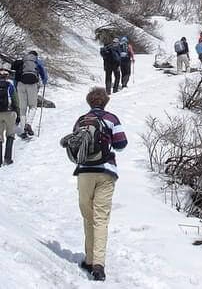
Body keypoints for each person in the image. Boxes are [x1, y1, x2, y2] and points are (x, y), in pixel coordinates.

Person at [71, 87, 127, 281]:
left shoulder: (80, 120)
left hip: (84, 172)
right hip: (106, 172)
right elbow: (121, 144)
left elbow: (75, 145)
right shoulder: (112, 119)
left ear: (89, 102)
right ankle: (99, 265)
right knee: (101, 218)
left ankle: (89, 259)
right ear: (105, 102)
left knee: (88, 217)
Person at [11, 50, 48, 138]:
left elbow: (16, 75)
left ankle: (23, 129)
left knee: (22, 108)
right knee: (33, 106)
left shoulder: (22, 61)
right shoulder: (37, 61)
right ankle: (28, 124)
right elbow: (43, 73)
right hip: (32, 85)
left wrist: (16, 86)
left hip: (21, 84)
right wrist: (44, 81)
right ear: (35, 56)